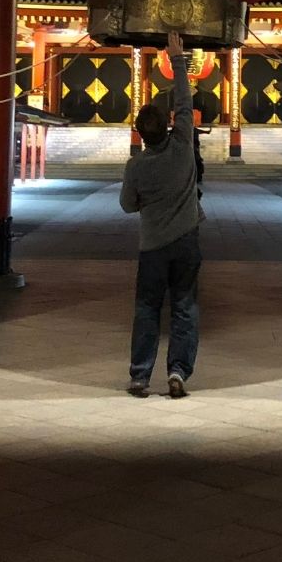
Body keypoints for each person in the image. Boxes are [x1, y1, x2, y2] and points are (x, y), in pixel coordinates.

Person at [119, 30, 204, 398]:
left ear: (140, 134)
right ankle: (178, 372)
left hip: (152, 245)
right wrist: (177, 59)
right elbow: (185, 103)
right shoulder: (183, 145)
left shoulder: (136, 166)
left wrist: (145, 201)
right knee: (184, 306)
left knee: (147, 309)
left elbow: (126, 205)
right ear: (169, 125)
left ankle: (140, 375)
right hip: (186, 240)